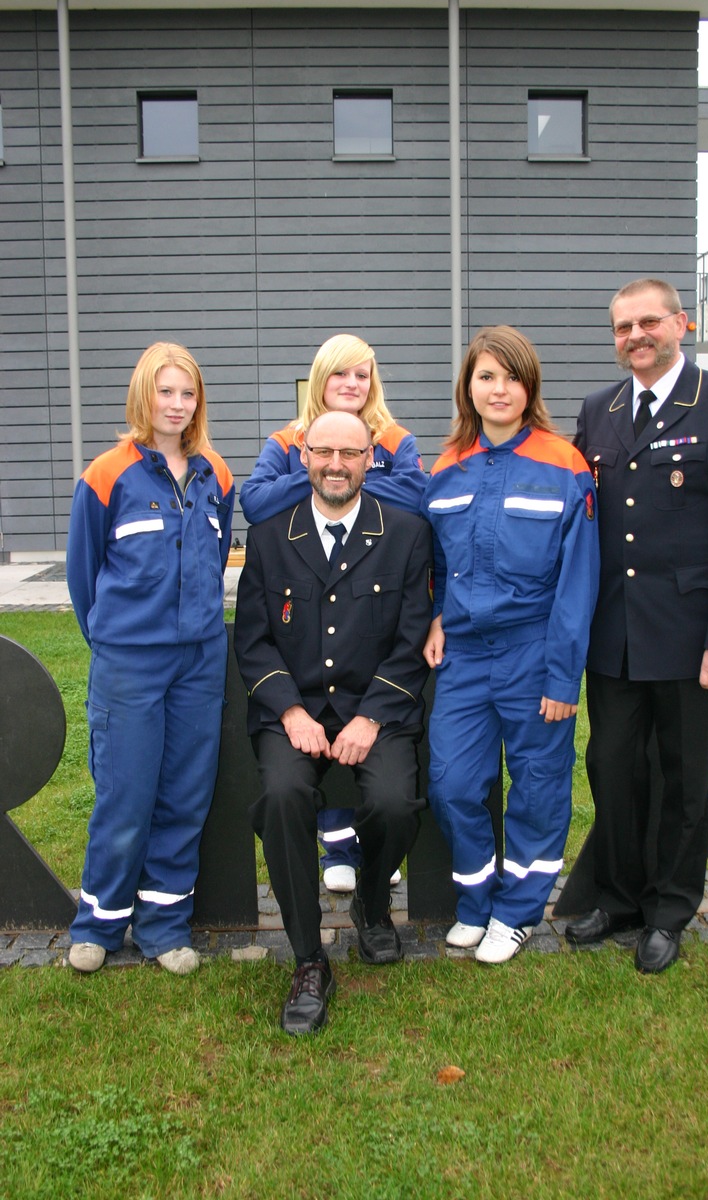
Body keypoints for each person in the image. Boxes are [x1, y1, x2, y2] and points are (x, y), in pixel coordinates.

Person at [565, 278, 708, 973]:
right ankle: (621, 897)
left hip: (693, 638)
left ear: (680, 324)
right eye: (622, 327)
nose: (635, 336)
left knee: (683, 778)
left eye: (648, 322)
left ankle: (668, 909)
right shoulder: (599, 410)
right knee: (613, 769)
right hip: (616, 636)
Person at [234, 409, 432, 1035]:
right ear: (304, 457)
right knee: (283, 795)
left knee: (398, 803)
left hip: (375, 710)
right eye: (323, 452)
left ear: (371, 458)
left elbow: (408, 641)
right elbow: (254, 641)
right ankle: (308, 959)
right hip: (293, 712)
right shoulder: (269, 535)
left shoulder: (404, 532)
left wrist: (372, 718)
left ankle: (372, 906)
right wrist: (290, 711)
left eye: (350, 453)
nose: (336, 465)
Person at [423, 325, 599, 963]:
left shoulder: (565, 464)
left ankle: (518, 912)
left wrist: (562, 676)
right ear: (468, 386)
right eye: (486, 377)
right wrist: (439, 614)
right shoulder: (446, 469)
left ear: (531, 387)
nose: (499, 389)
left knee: (538, 784)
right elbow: (437, 564)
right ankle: (476, 900)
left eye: (511, 377)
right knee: (450, 783)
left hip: (534, 652)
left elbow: (579, 582)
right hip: (466, 656)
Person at [66, 343, 234, 975]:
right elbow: (84, 579)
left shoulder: (215, 472)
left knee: (184, 794)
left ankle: (164, 925)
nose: (177, 404)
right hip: (129, 662)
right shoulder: (107, 473)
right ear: (144, 396)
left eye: (187, 393)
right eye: (165, 392)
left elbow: (213, 563)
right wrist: (117, 639)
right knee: (125, 792)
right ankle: (99, 924)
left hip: (198, 659)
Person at [240, 333, 426, 894]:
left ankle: (365, 854)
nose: (351, 384)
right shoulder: (286, 439)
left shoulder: (398, 438)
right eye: (339, 374)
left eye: (362, 375)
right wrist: (329, 468)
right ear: (319, 381)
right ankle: (335, 846)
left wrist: (344, 472)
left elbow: (420, 499)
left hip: (370, 657)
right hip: (307, 669)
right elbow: (256, 502)